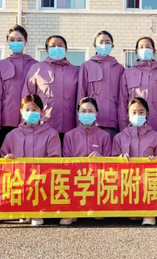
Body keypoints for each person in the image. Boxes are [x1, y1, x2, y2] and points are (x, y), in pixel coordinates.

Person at [0, 94, 61, 227]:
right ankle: (24, 209)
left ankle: (37, 210)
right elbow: (3, 161)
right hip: (19, 182)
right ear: (21, 111)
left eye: (34, 109)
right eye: (27, 109)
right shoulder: (12, 135)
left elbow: (54, 160)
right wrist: (7, 158)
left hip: (42, 182)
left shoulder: (51, 134)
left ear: (41, 112)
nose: (31, 113)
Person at [60, 97, 113, 226]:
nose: (86, 114)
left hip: (97, 178)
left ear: (96, 113)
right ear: (78, 113)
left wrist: (100, 158)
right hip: (75, 178)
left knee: (99, 216)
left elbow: (109, 162)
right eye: (83, 111)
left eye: (90, 111)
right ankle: (71, 210)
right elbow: (66, 161)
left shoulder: (104, 136)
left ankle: (95, 206)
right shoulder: (69, 136)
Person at [112, 97, 157, 226]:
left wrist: (156, 160)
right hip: (127, 180)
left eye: (141, 112)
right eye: (134, 112)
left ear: (147, 113)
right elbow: (112, 163)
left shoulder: (156, 137)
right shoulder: (119, 137)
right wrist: (120, 157)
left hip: (148, 180)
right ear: (128, 114)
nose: (137, 115)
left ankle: (149, 213)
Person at [0, 25, 37, 156]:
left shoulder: (35, 64)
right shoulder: (0, 65)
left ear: (25, 41)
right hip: (6, 119)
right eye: (12, 40)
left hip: (29, 118)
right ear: (8, 42)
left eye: (19, 39)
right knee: (5, 156)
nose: (16, 43)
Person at [24, 35, 79, 140]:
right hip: (44, 124)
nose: (56, 48)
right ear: (47, 50)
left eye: (60, 45)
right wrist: (27, 120)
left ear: (66, 49)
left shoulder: (75, 71)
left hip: (69, 126)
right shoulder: (37, 68)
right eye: (53, 46)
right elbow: (27, 96)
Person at [118, 37, 157, 136]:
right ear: (136, 52)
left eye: (147, 47)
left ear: (154, 51)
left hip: (155, 127)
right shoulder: (128, 74)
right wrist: (123, 127)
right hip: (132, 128)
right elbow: (122, 102)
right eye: (141, 47)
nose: (144, 49)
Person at [77, 31, 125, 138]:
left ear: (112, 45)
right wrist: (80, 120)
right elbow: (81, 93)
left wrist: (122, 123)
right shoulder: (86, 66)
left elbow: (123, 97)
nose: (104, 45)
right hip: (91, 119)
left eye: (107, 42)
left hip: (112, 120)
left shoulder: (119, 68)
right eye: (101, 42)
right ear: (95, 45)